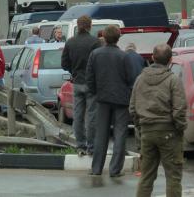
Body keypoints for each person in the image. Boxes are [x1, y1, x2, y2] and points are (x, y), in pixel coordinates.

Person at [129, 44, 187, 197]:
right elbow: (179, 109)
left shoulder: (140, 79)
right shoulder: (173, 80)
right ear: (171, 60)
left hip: (147, 132)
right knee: (173, 176)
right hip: (169, 132)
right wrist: (179, 128)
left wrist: (140, 127)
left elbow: (133, 108)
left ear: (152, 58)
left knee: (146, 176)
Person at [86, 25, 134, 177]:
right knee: (120, 134)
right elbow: (131, 79)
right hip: (121, 100)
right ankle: (115, 170)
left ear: (104, 38)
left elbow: (89, 77)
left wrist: (95, 93)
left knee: (101, 134)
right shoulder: (124, 56)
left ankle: (96, 169)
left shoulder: (95, 54)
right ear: (118, 38)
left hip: (102, 99)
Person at [61, 15, 101, 156]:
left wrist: (74, 71)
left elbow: (64, 64)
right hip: (92, 84)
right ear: (90, 26)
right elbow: (99, 63)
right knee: (91, 115)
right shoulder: (95, 42)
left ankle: (80, 146)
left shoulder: (70, 42)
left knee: (78, 114)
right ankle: (91, 147)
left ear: (78, 26)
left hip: (77, 83)